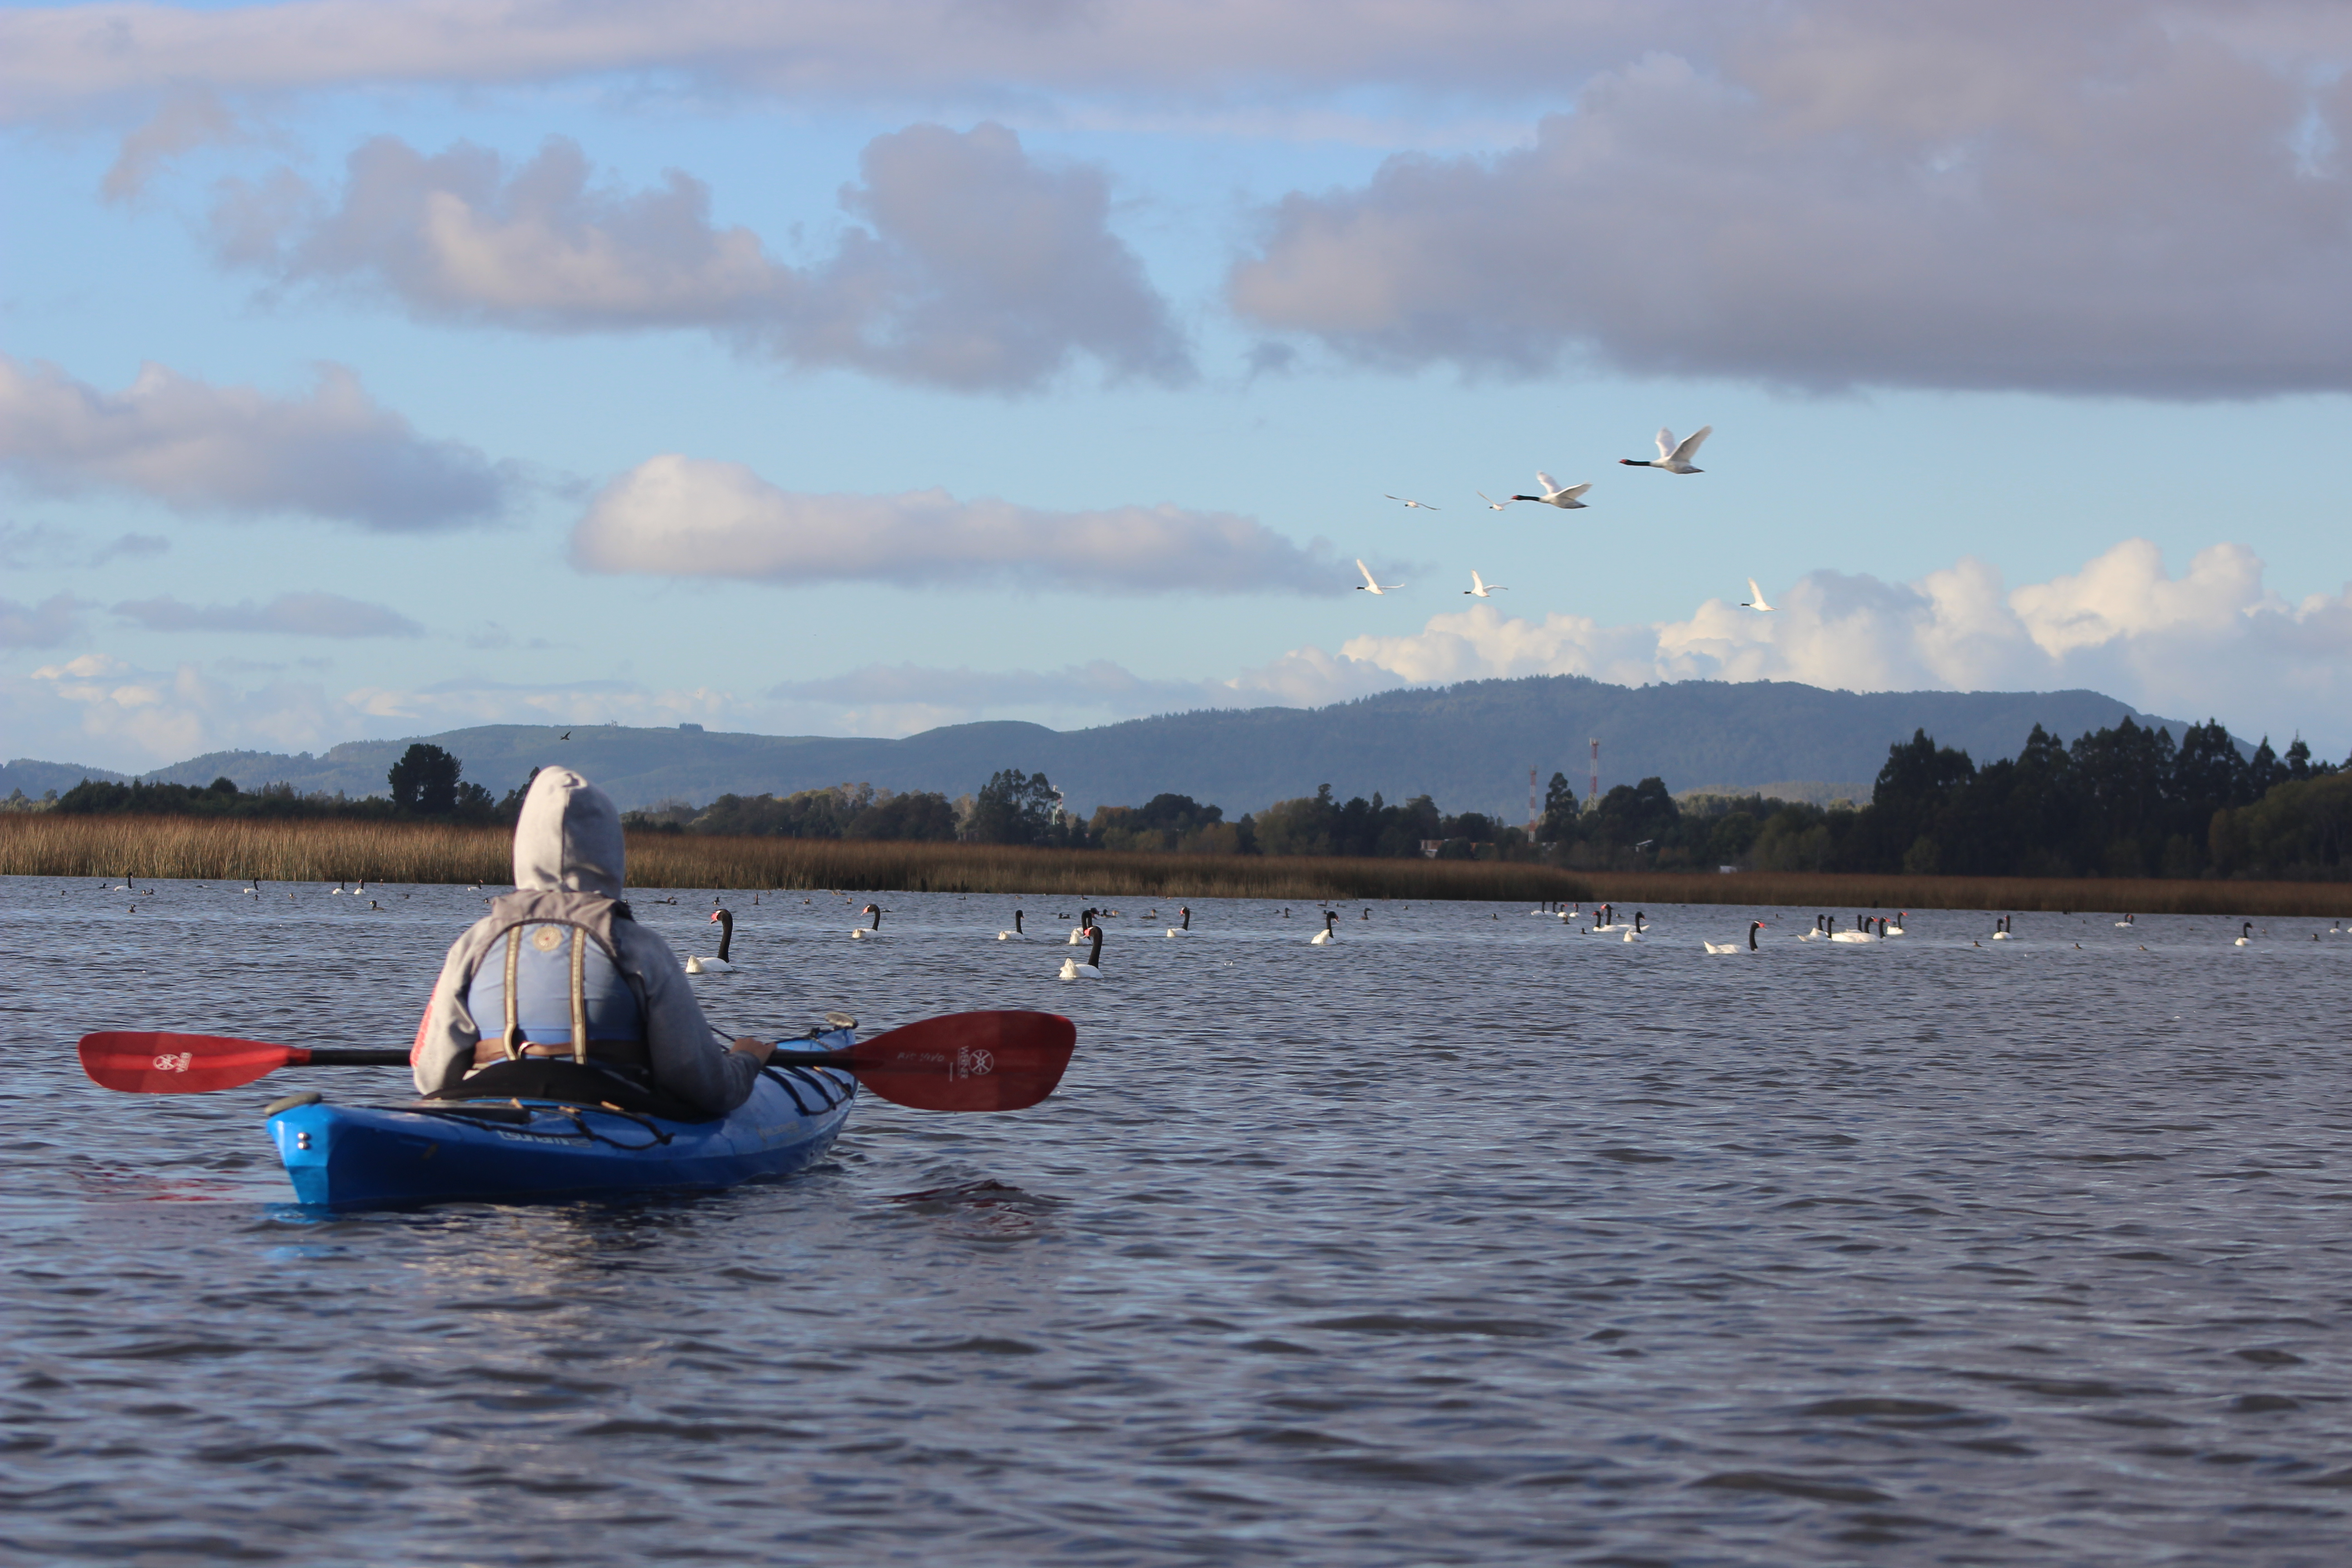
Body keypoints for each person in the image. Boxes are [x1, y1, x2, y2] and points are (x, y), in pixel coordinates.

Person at [412, 766, 772, 1114]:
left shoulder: (473, 945)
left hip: (490, 1110)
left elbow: (432, 1076)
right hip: (613, 1116)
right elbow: (705, 1087)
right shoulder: (639, 948)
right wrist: (744, 1062)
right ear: (610, 848)